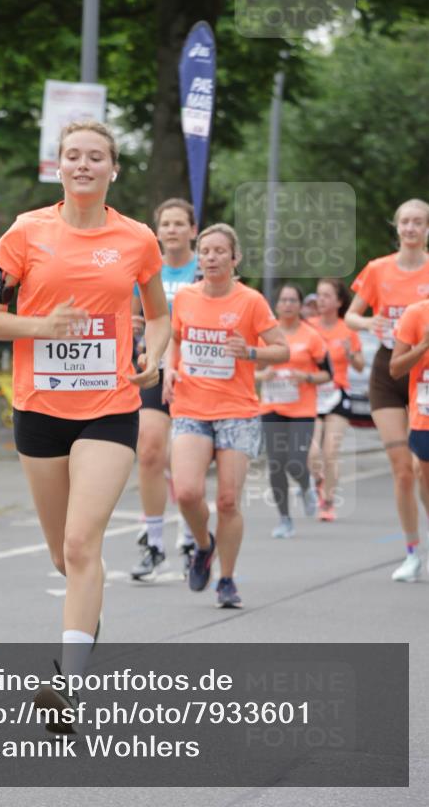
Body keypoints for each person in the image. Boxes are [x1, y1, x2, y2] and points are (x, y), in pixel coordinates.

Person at [0, 120, 169, 720]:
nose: (83, 165)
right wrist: (39, 327)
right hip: (38, 410)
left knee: (84, 543)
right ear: (58, 166)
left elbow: (159, 316)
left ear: (113, 169)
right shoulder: (24, 232)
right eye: (72, 156)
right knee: (64, 555)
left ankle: (69, 685)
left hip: (110, 407)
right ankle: (85, 627)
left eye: (96, 157)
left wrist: (153, 357)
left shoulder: (137, 239)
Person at [164, 224, 289, 608]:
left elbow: (281, 350)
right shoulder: (185, 297)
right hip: (190, 406)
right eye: (206, 252)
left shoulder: (250, 301)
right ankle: (204, 545)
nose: (212, 258)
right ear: (198, 258)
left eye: (220, 251)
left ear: (235, 259)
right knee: (186, 492)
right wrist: (169, 368)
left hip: (237, 410)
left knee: (229, 501)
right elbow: (175, 338)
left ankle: (227, 580)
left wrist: (249, 353)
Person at [345, 198, 429, 581]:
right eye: (405, 222)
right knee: (402, 469)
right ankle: (412, 552)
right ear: (396, 228)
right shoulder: (379, 270)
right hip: (388, 370)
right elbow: (351, 315)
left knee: (422, 467)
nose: (411, 228)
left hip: (424, 373)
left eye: (418, 222)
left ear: (427, 229)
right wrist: (370, 324)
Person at [130, 198, 198, 581]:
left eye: (178, 224)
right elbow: (130, 314)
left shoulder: (206, 269)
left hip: (196, 375)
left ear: (192, 229)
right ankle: (153, 542)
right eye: (165, 224)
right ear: (157, 231)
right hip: (154, 369)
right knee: (151, 451)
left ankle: (189, 537)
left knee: (183, 462)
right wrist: (136, 325)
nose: (171, 230)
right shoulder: (146, 268)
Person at [257, 285, 331, 538]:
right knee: (276, 463)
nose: (288, 304)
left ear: (300, 306)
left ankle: (306, 485)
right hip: (271, 405)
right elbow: (246, 368)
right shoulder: (264, 334)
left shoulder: (312, 337)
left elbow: (327, 373)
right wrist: (261, 375)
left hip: (302, 409)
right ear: (276, 305)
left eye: (293, 300)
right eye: (283, 300)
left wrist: (306, 376)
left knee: (296, 460)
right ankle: (285, 519)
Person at [307, 278, 364, 521]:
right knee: (311, 453)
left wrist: (351, 354)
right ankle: (319, 479)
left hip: (338, 394)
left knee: (331, 451)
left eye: (327, 296)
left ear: (339, 301)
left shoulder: (347, 329)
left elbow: (360, 366)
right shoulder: (308, 326)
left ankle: (328, 502)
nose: (321, 300)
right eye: (319, 295)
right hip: (311, 394)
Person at [390, 298, 429, 580]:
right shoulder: (416, 313)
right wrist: (423, 346)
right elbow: (395, 368)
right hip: (425, 417)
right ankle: (414, 553)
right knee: (425, 479)